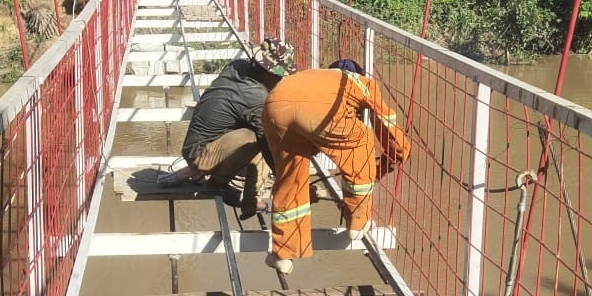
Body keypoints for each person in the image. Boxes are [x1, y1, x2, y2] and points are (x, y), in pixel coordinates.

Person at [261, 57, 411, 272]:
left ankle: (282, 254)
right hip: (315, 113)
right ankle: (358, 222)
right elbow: (386, 124)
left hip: (274, 104)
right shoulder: (361, 83)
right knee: (361, 141)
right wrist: (396, 155)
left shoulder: (313, 77)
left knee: (290, 178)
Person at [161, 36, 297, 214]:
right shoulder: (255, 96)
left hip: (198, 145)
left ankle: (244, 195)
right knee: (258, 138)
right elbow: (268, 144)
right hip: (201, 154)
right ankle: (220, 184)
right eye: (278, 76)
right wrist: (288, 179)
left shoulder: (238, 66)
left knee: (258, 133)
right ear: (267, 71)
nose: (279, 80)